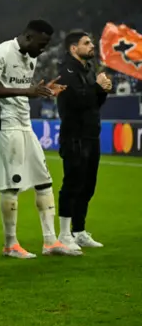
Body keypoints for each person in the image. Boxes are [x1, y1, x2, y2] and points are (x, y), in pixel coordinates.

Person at [0, 20, 82, 258]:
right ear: (28, 37)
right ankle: (10, 244)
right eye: (42, 43)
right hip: (5, 125)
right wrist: (27, 91)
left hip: (25, 124)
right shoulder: (2, 52)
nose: (44, 49)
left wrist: (42, 91)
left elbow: (22, 90)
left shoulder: (31, 57)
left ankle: (50, 242)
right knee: (11, 185)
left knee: (44, 181)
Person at [56, 30, 110, 248]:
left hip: (90, 134)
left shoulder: (89, 70)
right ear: (73, 48)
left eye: (92, 42)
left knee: (88, 185)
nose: (92, 46)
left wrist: (103, 90)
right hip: (74, 137)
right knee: (72, 184)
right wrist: (97, 87)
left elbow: (92, 103)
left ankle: (79, 231)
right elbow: (76, 99)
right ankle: (63, 234)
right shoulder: (66, 70)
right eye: (87, 43)